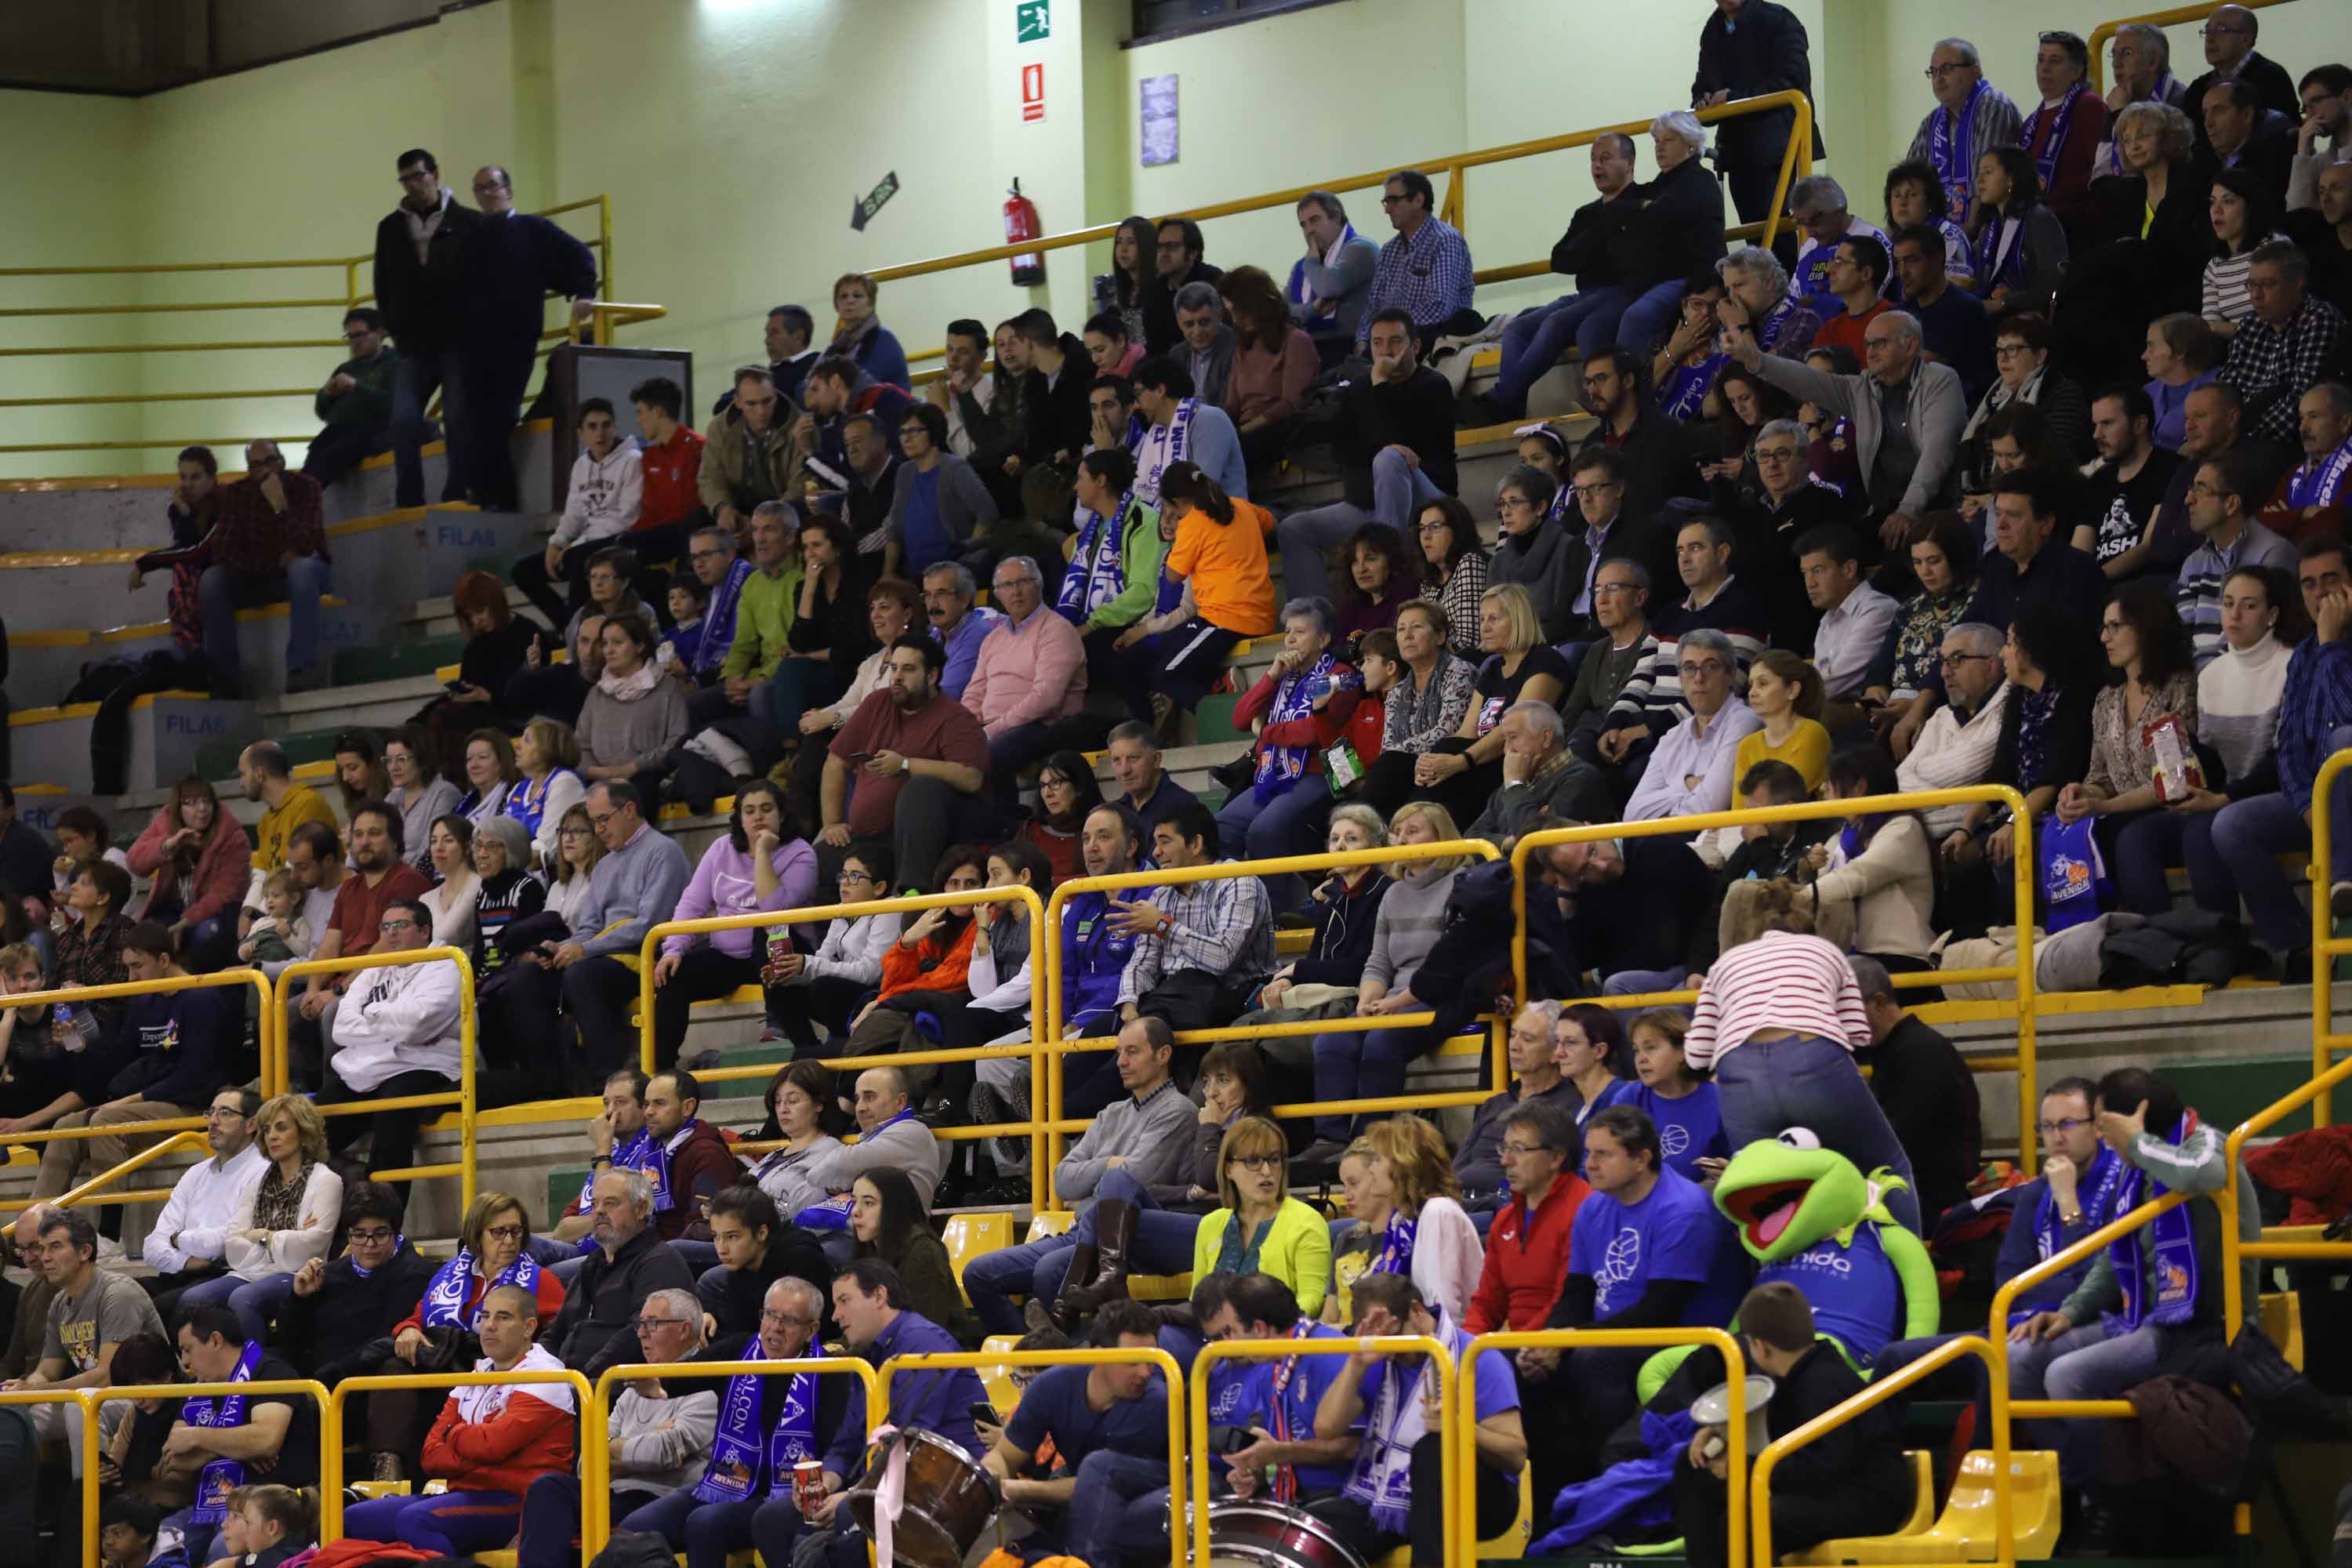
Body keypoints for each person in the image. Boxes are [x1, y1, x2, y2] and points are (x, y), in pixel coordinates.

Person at [2007, 1067, 2259, 1543]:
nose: (2100, 1134)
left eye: (2104, 1123)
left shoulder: (2207, 1142)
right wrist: (2071, 1312)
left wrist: (2139, 1143)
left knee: (2066, 1375)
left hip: (2202, 1326)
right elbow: (2114, 1252)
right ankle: (2086, 1487)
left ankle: (2108, 1500)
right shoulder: (2134, 1170)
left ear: (2135, 1118)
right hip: (2142, 1317)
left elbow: (2203, 1174)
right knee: (2020, 1359)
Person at [1685, 895, 1922, 1232]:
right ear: (1809, 930)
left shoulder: (1724, 963)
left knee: (1762, 1187)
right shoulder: (1826, 951)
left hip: (1739, 1073)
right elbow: (1858, 1036)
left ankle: (1776, 1281)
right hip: (1813, 1060)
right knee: (1889, 1168)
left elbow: (1696, 1055)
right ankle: (1907, 1270)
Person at [29, 922, 243, 1252]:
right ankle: (34, 1231)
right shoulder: (145, 1002)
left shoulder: (203, 996)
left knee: (106, 1121)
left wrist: (127, 1100)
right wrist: (78, 1043)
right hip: (144, 1100)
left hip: (189, 1102)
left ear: (163, 959)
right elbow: (115, 1059)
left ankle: (108, 1236)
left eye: (137, 967)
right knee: (65, 1128)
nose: (131, 978)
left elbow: (195, 1076)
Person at [1675, 1282, 1915, 1568]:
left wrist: (1741, 1467)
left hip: (1865, 1499)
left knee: (1749, 1517)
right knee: (1694, 1470)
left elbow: (1821, 1466)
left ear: (1760, 1347)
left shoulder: (1825, 1384)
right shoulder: (1794, 1376)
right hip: (1826, 1486)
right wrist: (1720, 1434)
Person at [616, 1276, 849, 1568]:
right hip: (725, 1482)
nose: (775, 1328)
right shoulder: (740, 1351)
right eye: (770, 1316)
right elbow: (686, 1375)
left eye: (789, 1320)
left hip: (780, 1495)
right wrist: (657, 1385)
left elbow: (838, 1445)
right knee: (635, 1528)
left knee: (705, 1523)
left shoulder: (832, 1373)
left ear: (811, 1329)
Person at [1308, 1271, 1525, 1567]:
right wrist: (1356, 1363)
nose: (1393, 1349)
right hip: (1390, 1500)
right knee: (1315, 1533)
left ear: (1417, 1310)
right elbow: (1326, 1428)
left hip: (1481, 1501)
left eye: (1396, 1335)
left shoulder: (1478, 1359)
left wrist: (1460, 1426)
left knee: (1434, 1449)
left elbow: (1514, 1456)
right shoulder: (1379, 1357)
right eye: (1383, 1341)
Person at [343, 1281, 576, 1556]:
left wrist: (453, 1434)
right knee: (354, 1519)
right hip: (465, 1491)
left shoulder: (545, 1377)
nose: (489, 1326)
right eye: (485, 1316)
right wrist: (473, 1441)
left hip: (518, 1500)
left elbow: (492, 1445)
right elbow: (430, 1455)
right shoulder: (475, 1374)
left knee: (416, 1520)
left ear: (529, 1328)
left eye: (503, 1317)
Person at [1737, 308, 1965, 554]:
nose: (1871, 352)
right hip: (1885, 512)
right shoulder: (1862, 390)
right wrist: (1755, 359)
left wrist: (1907, 510)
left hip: (1939, 509)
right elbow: (1806, 379)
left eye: (1880, 343)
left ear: (1910, 346)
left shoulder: (1940, 381)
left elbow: (1936, 455)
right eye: (1868, 344)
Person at [516, 1285, 713, 1568]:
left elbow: (665, 1451)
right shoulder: (631, 1383)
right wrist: (639, 1445)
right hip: (613, 1493)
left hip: (661, 1497)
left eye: (653, 1324)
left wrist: (616, 1453)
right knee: (548, 1488)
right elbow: (589, 1460)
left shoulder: (706, 1381)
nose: (641, 1333)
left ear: (684, 1330)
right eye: (640, 1324)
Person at [1091, 800, 1273, 1095]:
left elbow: (1222, 958)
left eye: (1165, 841)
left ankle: (1071, 1108)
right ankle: (1042, 1105)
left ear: (1196, 843)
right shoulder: (1162, 895)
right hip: (1172, 1000)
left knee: (1151, 1030)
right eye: (1155, 843)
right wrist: (1129, 1005)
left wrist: (1163, 926)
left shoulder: (1240, 881)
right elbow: (1143, 962)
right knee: (1100, 1029)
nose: (1156, 853)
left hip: (1229, 996)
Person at [1276, 309, 1457, 603]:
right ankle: (1315, 622)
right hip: (1371, 503)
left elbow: (1403, 447)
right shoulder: (1360, 388)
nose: (1386, 351)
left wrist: (1381, 385)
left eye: (1396, 341)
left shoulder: (1433, 386)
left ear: (1416, 346)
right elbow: (1348, 451)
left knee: (1388, 459)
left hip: (1429, 499)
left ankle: (1391, 578)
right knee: (1294, 529)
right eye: (1377, 343)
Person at [979, 1297, 1167, 1566]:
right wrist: (993, 1480)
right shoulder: (1052, 1386)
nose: (1146, 1373)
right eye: (1133, 1362)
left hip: (1148, 1496)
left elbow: (1099, 1485)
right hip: (1079, 1485)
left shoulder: (1155, 1400)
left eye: (1151, 1361)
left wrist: (1021, 1490)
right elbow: (1005, 1456)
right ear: (1099, 1355)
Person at [1480, 134, 1646, 420]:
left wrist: (1589, 242)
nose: (1597, 166)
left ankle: (1502, 397)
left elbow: (1626, 262)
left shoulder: (1643, 201)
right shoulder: (1587, 213)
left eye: (1605, 158)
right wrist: (1604, 227)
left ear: (1630, 162)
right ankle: (1512, 404)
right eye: (1593, 160)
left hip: (1621, 291)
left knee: (1556, 322)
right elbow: (1561, 260)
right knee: (1516, 329)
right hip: (1585, 294)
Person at [652, 782, 817, 1063]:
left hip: (784, 953)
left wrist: (763, 852)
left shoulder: (801, 854)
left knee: (764, 934)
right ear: (739, 818)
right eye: (749, 811)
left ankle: (806, 1050)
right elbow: (693, 902)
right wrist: (674, 949)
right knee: (673, 976)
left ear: (782, 814)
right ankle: (661, 1070)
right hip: (728, 957)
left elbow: (775, 910)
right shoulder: (721, 849)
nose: (758, 817)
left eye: (767, 809)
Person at [821, 635, 996, 894]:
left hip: (917, 839)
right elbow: (835, 762)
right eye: (893, 668)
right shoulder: (877, 703)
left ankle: (913, 892)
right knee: (821, 858)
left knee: (921, 788)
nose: (897, 677)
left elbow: (971, 778)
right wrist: (832, 823)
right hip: (865, 840)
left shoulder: (956, 718)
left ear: (932, 675)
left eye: (909, 669)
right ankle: (826, 934)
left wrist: (905, 764)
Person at [1114, 461, 1279, 726]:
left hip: (1227, 619)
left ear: (1177, 501)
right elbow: (1269, 523)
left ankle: (1230, 721)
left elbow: (1173, 575)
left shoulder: (1193, 522)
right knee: (1170, 644)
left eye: (1174, 511)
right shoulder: (1240, 506)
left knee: (1166, 674)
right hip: (1256, 613)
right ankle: (1219, 688)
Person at [9, 1208, 167, 1478]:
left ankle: (89, 1498)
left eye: (55, 1247)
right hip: (100, 1396)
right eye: (42, 1248)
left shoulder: (117, 1293)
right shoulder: (60, 1302)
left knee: (79, 1408)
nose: (45, 1257)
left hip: (147, 1395)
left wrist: (41, 1390)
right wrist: (23, 1392)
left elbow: (108, 1376)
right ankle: (22, 1509)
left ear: (85, 1252)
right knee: (18, 1418)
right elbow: (47, 1370)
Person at [284, 801, 430, 1087]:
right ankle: (297, 1094)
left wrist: (337, 991)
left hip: (382, 984)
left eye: (374, 833)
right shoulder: (350, 887)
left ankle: (334, 1100)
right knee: (286, 1010)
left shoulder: (407, 881)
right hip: (344, 984)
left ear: (395, 840)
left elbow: (387, 946)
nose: (364, 841)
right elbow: (330, 945)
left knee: (333, 1014)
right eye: (359, 834)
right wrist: (313, 990)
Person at [161, 1305, 318, 1565]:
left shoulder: (271, 1372)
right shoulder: (195, 1389)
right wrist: (238, 1445)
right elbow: (173, 1457)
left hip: (264, 1510)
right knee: (164, 1543)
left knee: (222, 1551)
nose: (185, 1362)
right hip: (205, 1509)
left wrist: (200, 1438)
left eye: (188, 1349)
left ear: (215, 1340)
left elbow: (265, 1441)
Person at [372, 150, 479, 509]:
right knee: (402, 421)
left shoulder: (468, 222)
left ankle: (457, 491)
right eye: (406, 179)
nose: (413, 185)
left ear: (435, 174)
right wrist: (394, 328)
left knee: (458, 417)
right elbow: (382, 284)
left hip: (459, 340)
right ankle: (409, 499)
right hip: (414, 345)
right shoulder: (389, 228)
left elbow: (484, 282)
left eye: (419, 176)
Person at [185, 440, 331, 699]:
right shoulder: (237, 494)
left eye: (269, 462)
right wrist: (270, 564)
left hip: (298, 577)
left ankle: (300, 669)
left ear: (282, 461)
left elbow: (309, 544)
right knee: (212, 580)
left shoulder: (306, 487)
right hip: (257, 577)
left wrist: (280, 508)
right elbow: (224, 551)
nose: (264, 471)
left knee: (302, 569)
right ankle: (225, 678)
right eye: (255, 465)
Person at [1848, 954, 1979, 1224]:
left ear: (1879, 1003)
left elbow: (1895, 1145)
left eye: (1848, 1012)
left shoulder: (1918, 1055)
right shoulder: (1901, 1050)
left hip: (1930, 1208)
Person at [544, 1167, 696, 1378]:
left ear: (641, 1209)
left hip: (619, 1388)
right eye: (595, 1204)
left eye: (610, 1203)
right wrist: (540, 1372)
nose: (598, 1211)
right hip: (573, 1384)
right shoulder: (593, 1263)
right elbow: (556, 1332)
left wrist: (580, 1382)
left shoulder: (659, 1263)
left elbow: (637, 1338)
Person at [278, 1181, 435, 1380]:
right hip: (311, 1383)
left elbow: (382, 1343)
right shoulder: (328, 1274)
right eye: (360, 1235)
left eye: (380, 1234)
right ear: (348, 1235)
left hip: (358, 1385)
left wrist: (326, 1380)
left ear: (395, 1232)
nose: (370, 1244)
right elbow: (289, 1339)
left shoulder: (416, 1275)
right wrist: (299, 1298)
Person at [517, 399, 644, 629]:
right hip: (586, 542)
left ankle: (577, 634)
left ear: (615, 428)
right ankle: (568, 627)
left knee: (577, 558)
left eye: (606, 425)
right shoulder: (580, 466)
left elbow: (627, 518)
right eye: (592, 427)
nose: (601, 433)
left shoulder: (633, 460)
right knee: (523, 571)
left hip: (618, 540)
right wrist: (557, 542)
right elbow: (573, 514)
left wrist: (577, 544)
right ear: (580, 433)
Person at [1691, 0, 1823, 222]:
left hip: (1777, 145)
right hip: (1736, 149)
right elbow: (1703, 83)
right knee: (1754, 231)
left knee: (1774, 227)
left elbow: (1794, 78)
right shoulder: (1713, 29)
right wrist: (1702, 100)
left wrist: (1733, 97)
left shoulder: (1778, 19)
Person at [965, 555, 1086, 793]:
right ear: (997, 594)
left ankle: (1006, 824)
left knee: (990, 756)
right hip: (996, 728)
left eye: (1024, 582)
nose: (1016, 592)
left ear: (1039, 584)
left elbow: (1046, 698)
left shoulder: (1057, 630)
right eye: (1007, 586)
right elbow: (974, 692)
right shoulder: (993, 639)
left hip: (1044, 724)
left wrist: (992, 730)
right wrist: (965, 727)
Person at [138, 1087, 266, 1312]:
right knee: (122, 1295)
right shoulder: (195, 1173)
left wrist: (178, 1239)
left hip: (228, 1274)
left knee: (161, 1307)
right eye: (211, 1112)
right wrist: (186, 1262)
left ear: (251, 1124)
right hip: (182, 1270)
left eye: (225, 1113)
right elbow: (153, 1244)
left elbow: (230, 1240)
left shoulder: (263, 1171)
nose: (213, 1121)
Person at [762, 851, 901, 1052]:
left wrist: (807, 965)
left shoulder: (891, 910)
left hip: (875, 993)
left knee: (823, 987)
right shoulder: (843, 909)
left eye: (854, 877)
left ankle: (843, 1045)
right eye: (843, 875)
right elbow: (823, 958)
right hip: (850, 988)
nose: (844, 883)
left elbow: (870, 972)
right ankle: (808, 1050)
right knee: (779, 988)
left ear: (879, 887)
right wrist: (791, 973)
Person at [1625, 627, 1764, 822]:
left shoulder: (1744, 723)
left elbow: (1708, 808)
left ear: (1731, 674)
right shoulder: (1673, 736)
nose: (1699, 679)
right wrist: (1687, 785)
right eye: (1689, 668)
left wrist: (1663, 808)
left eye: (1710, 666)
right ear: (1680, 678)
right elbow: (1632, 813)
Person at [2177, 448, 2299, 669]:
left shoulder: (2273, 554)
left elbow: (2267, 638)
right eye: (2191, 489)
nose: (2188, 499)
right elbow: (2181, 637)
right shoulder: (2193, 564)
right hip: (2196, 686)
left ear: (2231, 504)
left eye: (2201, 489)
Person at [2219, 241, 2350, 446]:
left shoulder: (2319, 320)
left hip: (2284, 443)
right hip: (2235, 436)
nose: (2256, 295)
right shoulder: (2250, 324)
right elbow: (2226, 389)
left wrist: (2236, 438)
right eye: (2252, 285)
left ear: (2298, 284)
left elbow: (2301, 400)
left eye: (2268, 284)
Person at [1356, 169, 1478, 351]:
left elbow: (1439, 308)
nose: (1388, 209)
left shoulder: (1445, 240)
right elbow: (1374, 305)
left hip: (1431, 339)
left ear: (1418, 200)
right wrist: (1363, 340)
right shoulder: (1389, 250)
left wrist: (1390, 333)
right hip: (1391, 343)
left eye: (1394, 200)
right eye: (1386, 202)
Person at [1908, 38, 2024, 227]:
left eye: (1947, 69)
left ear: (1975, 70)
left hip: (1993, 226)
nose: (1938, 78)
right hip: (1945, 234)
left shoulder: (1993, 105)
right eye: (1934, 71)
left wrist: (1967, 231)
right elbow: (1910, 181)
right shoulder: (1932, 123)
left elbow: (1988, 179)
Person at [805, 1065, 946, 1212]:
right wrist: (830, 1187)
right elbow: (798, 1202)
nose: (860, 1108)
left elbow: (839, 1164)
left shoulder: (912, 1133)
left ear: (900, 1102)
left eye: (870, 1097)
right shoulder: (869, 1139)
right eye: (857, 1099)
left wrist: (827, 1182)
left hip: (893, 1234)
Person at [884, 402, 999, 582]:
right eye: (902, 432)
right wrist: (888, 573)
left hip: (953, 573)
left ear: (933, 432)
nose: (905, 439)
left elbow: (987, 511)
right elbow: (895, 527)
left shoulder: (954, 468)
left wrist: (967, 560)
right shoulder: (904, 472)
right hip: (915, 575)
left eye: (913, 431)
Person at [699, 366, 809, 544]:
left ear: (775, 395)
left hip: (780, 506)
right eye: (751, 404)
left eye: (767, 401)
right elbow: (710, 477)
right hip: (737, 505)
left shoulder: (800, 428)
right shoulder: (720, 428)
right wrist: (723, 508)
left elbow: (800, 487)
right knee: (695, 522)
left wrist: (761, 523)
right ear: (738, 402)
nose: (761, 411)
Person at [1798, 525, 1900, 717]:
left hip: (1864, 714)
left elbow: (1835, 682)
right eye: (1805, 573)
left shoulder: (1876, 609)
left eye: (1818, 571)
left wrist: (1785, 696)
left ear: (1849, 569)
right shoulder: (1828, 619)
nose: (1810, 583)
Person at [303, 307, 398, 486]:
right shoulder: (345, 369)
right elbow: (322, 412)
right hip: (339, 430)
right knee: (315, 451)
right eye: (350, 336)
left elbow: (393, 406)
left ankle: (303, 501)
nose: (354, 342)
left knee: (332, 456)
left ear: (380, 333)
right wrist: (327, 395)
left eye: (360, 335)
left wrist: (356, 387)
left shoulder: (395, 364)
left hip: (375, 431)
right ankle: (301, 499)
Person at [1971, 147, 2071, 318]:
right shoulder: (1988, 228)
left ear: (2011, 179)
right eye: (1978, 173)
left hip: (2030, 324)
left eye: (1988, 172)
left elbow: (2053, 284)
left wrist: (2003, 303)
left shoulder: (2039, 218)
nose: (1979, 181)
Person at [1785, 174, 1892, 318]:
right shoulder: (1809, 246)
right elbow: (1793, 297)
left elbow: (1871, 302)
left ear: (1838, 210)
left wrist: (1818, 303)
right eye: (1800, 223)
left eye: (1814, 221)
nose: (1809, 232)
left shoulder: (1871, 240)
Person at [1289, 191, 1381, 353]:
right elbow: (1282, 311)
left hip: (1353, 347)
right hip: (1312, 348)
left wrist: (1310, 262)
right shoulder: (1303, 266)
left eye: (1315, 220)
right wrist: (1312, 310)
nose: (1309, 230)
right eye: (1303, 225)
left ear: (1337, 216)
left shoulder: (1362, 248)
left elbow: (1330, 287)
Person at [503, 717, 590, 873]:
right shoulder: (518, 789)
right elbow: (501, 839)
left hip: (552, 877)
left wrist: (499, 866)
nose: (517, 745)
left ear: (548, 749)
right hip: (514, 874)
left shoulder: (565, 783)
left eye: (527, 740)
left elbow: (545, 848)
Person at [1886, 161, 1980, 298]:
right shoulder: (1896, 239)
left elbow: (1959, 289)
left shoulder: (1949, 236)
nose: (1903, 202)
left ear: (1930, 201)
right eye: (1897, 195)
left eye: (1912, 195)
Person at [1143, 216, 1225, 357]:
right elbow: (1155, 347)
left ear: (1193, 253)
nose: (1163, 254)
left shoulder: (1215, 282)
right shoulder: (1154, 291)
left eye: (1172, 247)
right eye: (1160, 247)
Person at [383, 730, 461, 876]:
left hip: (423, 881)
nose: (393, 767)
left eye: (401, 759)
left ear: (421, 760)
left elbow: (428, 852)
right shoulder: (391, 798)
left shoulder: (444, 793)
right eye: (388, 760)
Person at [1096, 216, 1159, 348]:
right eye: (1119, 242)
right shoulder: (1124, 291)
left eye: (1131, 242)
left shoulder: (1161, 287)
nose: (1123, 249)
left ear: (1146, 247)